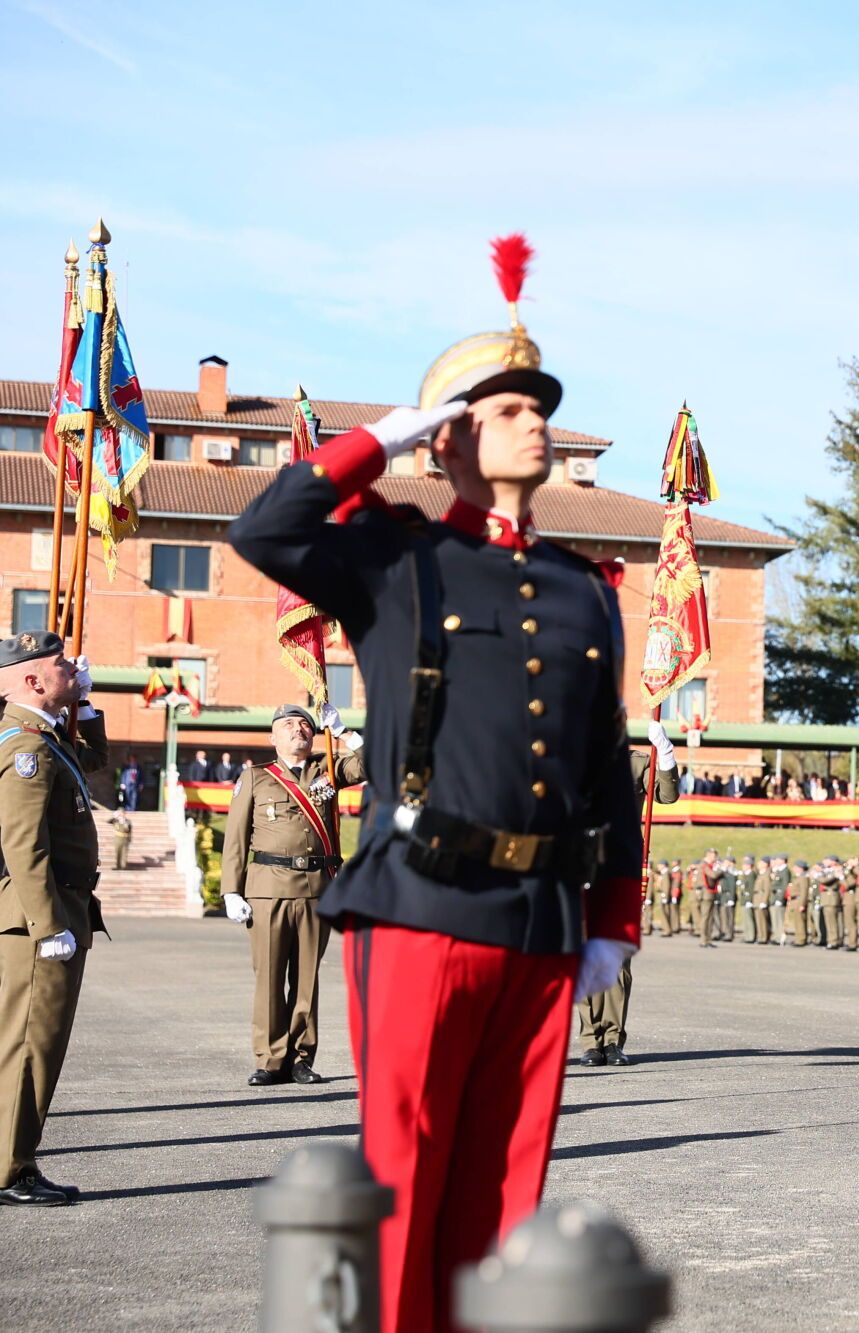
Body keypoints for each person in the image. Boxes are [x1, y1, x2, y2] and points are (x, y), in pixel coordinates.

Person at [227, 248, 644, 1331]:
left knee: (508, 1191)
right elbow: (263, 529)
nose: (534, 421)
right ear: (450, 435)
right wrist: (383, 442)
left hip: (544, 918)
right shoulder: (396, 561)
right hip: (420, 901)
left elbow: (607, 761)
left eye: (540, 407)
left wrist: (613, 917)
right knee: (403, 1173)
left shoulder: (582, 590)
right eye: (504, 408)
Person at [0, 633, 104, 1207]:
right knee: (29, 1046)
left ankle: (13, 1159)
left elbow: (94, 760)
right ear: (33, 680)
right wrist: (48, 925)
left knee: (35, 1043)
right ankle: (10, 1169)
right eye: (63, 665)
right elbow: (24, 845)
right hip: (43, 915)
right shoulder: (27, 747)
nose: (75, 667)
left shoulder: (45, 737)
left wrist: (85, 705)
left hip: (58, 907)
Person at [218, 703, 367, 1086]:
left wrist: (345, 731)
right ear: (272, 737)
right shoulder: (255, 778)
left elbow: (374, 764)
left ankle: (301, 1057)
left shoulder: (328, 767)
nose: (297, 729)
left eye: (304, 724)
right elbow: (234, 839)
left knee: (306, 979)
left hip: (318, 888)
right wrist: (231, 890)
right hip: (268, 890)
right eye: (287, 724)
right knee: (268, 976)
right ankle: (270, 1059)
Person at [578, 724, 680, 1069]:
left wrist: (664, 755)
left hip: (620, 869)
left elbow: (666, 796)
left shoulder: (636, 763)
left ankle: (612, 1039)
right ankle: (591, 1040)